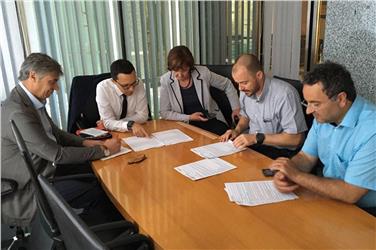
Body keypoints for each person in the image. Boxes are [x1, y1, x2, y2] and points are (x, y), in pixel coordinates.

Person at [1, 53, 122, 227]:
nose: (56, 88)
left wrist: (85, 142)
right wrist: (105, 150)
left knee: (97, 172)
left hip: (44, 168)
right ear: (33, 76)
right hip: (31, 185)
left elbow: (56, 133)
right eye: (52, 81)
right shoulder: (19, 112)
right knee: (98, 191)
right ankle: (88, 238)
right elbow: (56, 154)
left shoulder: (29, 101)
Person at [270, 62, 376, 212]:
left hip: (365, 212)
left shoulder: (372, 130)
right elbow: (306, 157)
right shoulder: (325, 116)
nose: (309, 111)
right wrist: (287, 173)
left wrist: (297, 176)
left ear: (341, 99)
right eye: (307, 103)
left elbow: (350, 193)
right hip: (330, 197)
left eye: (315, 104)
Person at [220, 54, 307, 159]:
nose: (240, 88)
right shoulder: (246, 91)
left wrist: (257, 138)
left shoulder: (285, 95)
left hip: (280, 152)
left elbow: (296, 139)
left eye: (244, 83)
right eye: (237, 83)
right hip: (254, 146)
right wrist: (237, 131)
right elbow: (246, 116)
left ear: (259, 75)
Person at [159, 45, 240, 135]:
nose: (180, 75)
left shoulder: (203, 73)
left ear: (190, 66)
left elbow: (227, 84)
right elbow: (164, 112)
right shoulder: (166, 81)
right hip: (184, 123)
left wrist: (236, 108)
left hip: (210, 120)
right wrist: (189, 117)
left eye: (184, 70)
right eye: (176, 70)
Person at [96, 59, 149, 137]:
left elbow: (143, 116)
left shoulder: (139, 83)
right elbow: (108, 122)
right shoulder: (103, 88)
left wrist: (117, 123)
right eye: (126, 86)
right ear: (114, 81)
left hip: (134, 132)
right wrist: (129, 124)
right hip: (112, 135)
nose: (132, 89)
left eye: (134, 83)